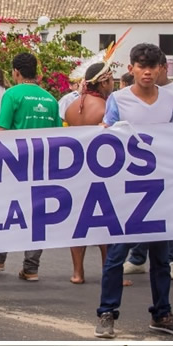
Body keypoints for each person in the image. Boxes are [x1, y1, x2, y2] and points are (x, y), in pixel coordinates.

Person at [97, 43, 173, 338]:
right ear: (131, 68)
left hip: (161, 190)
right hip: (127, 191)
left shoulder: (172, 101)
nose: (146, 71)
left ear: (161, 68)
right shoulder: (118, 100)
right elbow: (104, 137)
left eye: (152, 66)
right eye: (140, 65)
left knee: (161, 259)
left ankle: (162, 314)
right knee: (116, 256)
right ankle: (107, 313)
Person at [0, 52, 61, 281]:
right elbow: (59, 136)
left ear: (16, 72)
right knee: (37, 215)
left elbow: (1, 131)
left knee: (8, 210)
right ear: (36, 72)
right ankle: (31, 268)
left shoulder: (12, 94)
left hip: (15, 164)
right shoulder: (50, 99)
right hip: (43, 166)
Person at [64, 63, 115, 283]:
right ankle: (109, 271)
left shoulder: (71, 107)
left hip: (74, 171)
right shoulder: (106, 108)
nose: (114, 84)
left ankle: (77, 272)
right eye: (112, 80)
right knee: (107, 222)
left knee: (78, 222)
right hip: (100, 170)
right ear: (104, 82)